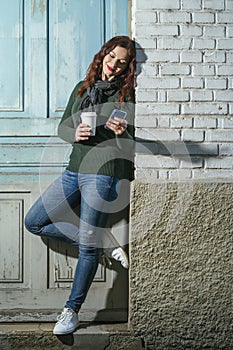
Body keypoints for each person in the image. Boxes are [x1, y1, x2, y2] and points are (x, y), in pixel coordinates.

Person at [24, 35, 136, 335]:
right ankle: (103, 243)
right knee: (34, 221)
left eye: (121, 62)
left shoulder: (127, 96)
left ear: (127, 68)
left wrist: (121, 131)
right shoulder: (83, 87)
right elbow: (63, 127)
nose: (113, 66)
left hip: (104, 173)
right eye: (111, 57)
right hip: (74, 169)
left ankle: (71, 311)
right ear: (103, 56)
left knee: (86, 247)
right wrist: (76, 134)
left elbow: (131, 143)